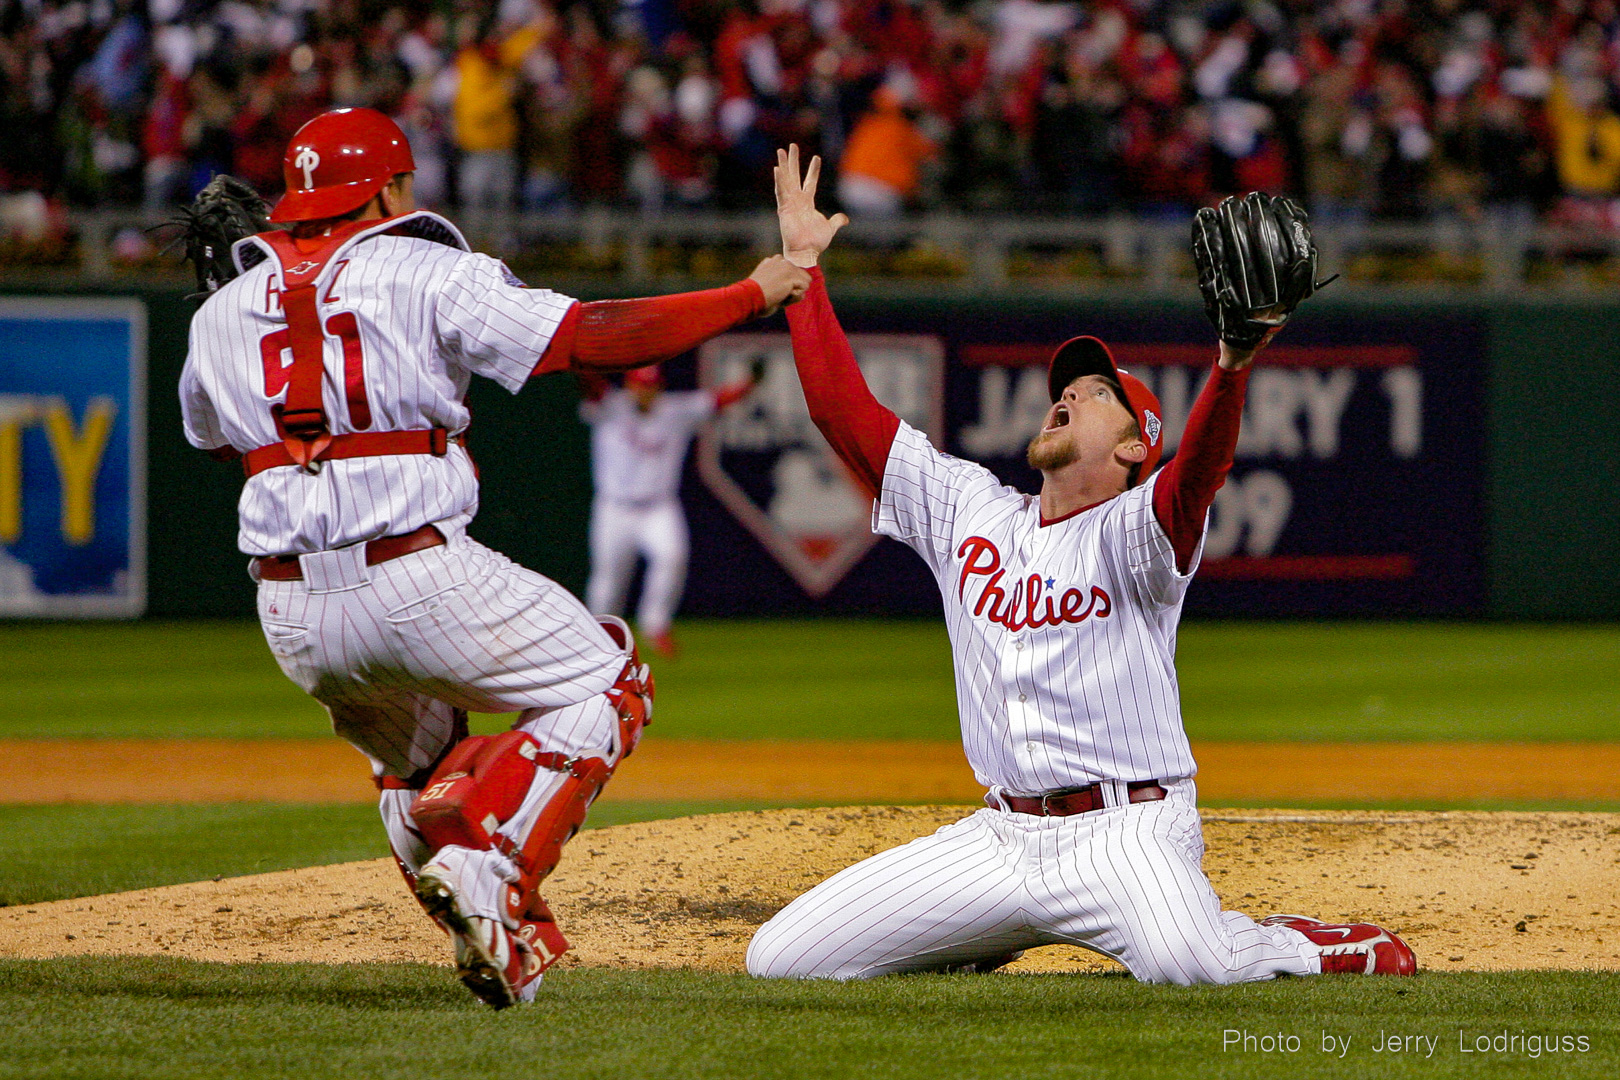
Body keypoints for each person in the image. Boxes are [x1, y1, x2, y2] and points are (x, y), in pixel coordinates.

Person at [177, 107, 809, 1008]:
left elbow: (211, 440)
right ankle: (492, 861)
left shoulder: (220, 312)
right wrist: (749, 292)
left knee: (416, 767)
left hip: (289, 610)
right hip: (415, 571)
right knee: (610, 680)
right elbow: (592, 336)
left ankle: (492, 941)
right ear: (393, 190)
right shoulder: (429, 269)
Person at [746, 145, 1416, 984]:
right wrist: (805, 271)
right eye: (1065, 387)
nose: (1065, 394)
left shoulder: (1139, 527)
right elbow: (842, 411)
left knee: (1189, 966)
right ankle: (977, 935)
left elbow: (1199, 474)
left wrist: (1233, 363)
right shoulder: (968, 508)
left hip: (1126, 833)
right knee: (781, 961)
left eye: (1096, 393)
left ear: (1139, 446)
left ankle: (1297, 943)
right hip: (1000, 839)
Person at [580, 360, 763, 657]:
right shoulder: (611, 406)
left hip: (658, 507)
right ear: (629, 386)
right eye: (640, 386)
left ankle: (655, 624)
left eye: (650, 387)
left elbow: (717, 400)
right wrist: (580, 362)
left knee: (672, 557)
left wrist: (749, 384)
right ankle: (596, 636)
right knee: (607, 578)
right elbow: (591, 386)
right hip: (613, 507)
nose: (645, 393)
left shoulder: (675, 410)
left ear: (659, 388)